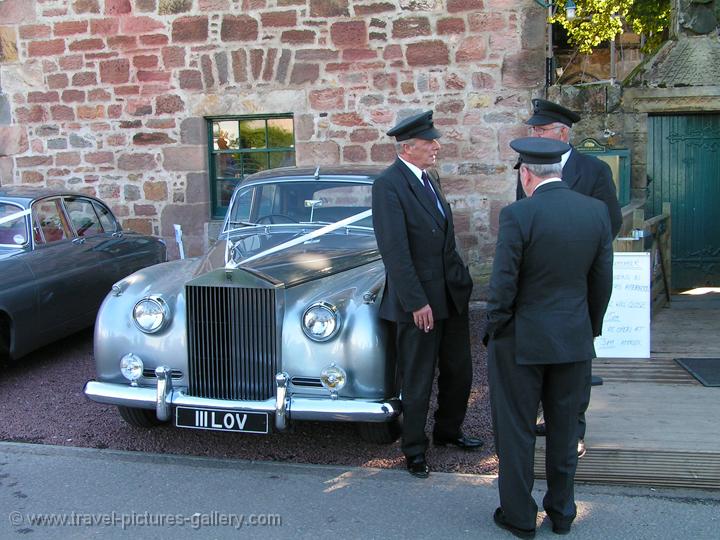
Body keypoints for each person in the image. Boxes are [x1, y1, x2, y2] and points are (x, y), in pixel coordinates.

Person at [485, 137, 613, 538]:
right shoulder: (594, 212)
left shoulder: (518, 216)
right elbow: (601, 283)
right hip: (572, 338)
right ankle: (562, 513)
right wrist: (588, 328)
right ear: (559, 170)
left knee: (517, 430)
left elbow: (503, 283)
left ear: (526, 174)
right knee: (564, 429)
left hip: (522, 340)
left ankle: (520, 517)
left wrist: (497, 327)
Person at [372, 110, 482, 479]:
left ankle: (448, 432)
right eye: (429, 142)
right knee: (418, 378)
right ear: (408, 147)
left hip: (450, 296)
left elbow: (443, 239)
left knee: (459, 372)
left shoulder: (429, 178)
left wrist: (460, 285)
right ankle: (414, 449)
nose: (436, 146)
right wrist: (416, 301)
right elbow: (395, 252)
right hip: (419, 302)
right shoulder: (388, 185)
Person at [518, 98, 622, 458]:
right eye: (533, 129)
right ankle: (543, 418)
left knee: (576, 366)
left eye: (541, 129)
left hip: (577, 279)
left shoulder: (593, 171)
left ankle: (574, 429)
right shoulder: (529, 166)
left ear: (563, 133)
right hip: (538, 280)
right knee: (538, 358)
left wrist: (582, 257)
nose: (535, 134)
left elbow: (612, 222)